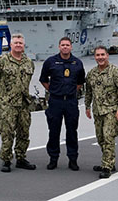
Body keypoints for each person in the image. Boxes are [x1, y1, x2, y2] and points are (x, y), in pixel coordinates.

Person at [0, 33, 36, 173]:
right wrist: (3, 93)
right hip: (7, 104)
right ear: (11, 45)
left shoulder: (28, 62)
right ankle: (6, 160)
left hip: (24, 104)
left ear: (24, 45)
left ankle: (21, 158)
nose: (18, 45)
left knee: (23, 132)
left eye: (21, 43)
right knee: (7, 133)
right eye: (16, 43)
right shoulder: (1, 61)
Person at [39, 37, 85, 171]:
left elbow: (80, 82)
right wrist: (53, 90)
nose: (65, 47)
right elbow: (43, 79)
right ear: (59, 47)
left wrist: (70, 92)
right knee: (54, 131)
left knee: (72, 131)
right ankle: (53, 158)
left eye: (67, 45)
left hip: (71, 101)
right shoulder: (50, 62)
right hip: (55, 101)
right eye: (63, 45)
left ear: (71, 47)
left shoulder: (77, 63)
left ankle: (73, 160)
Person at [85, 46, 118, 178]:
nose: (100, 57)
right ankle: (109, 160)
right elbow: (88, 92)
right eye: (97, 55)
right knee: (100, 138)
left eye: (102, 55)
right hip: (98, 111)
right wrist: (87, 106)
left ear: (107, 55)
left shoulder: (116, 72)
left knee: (108, 137)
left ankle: (107, 165)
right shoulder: (92, 73)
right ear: (95, 57)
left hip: (111, 110)